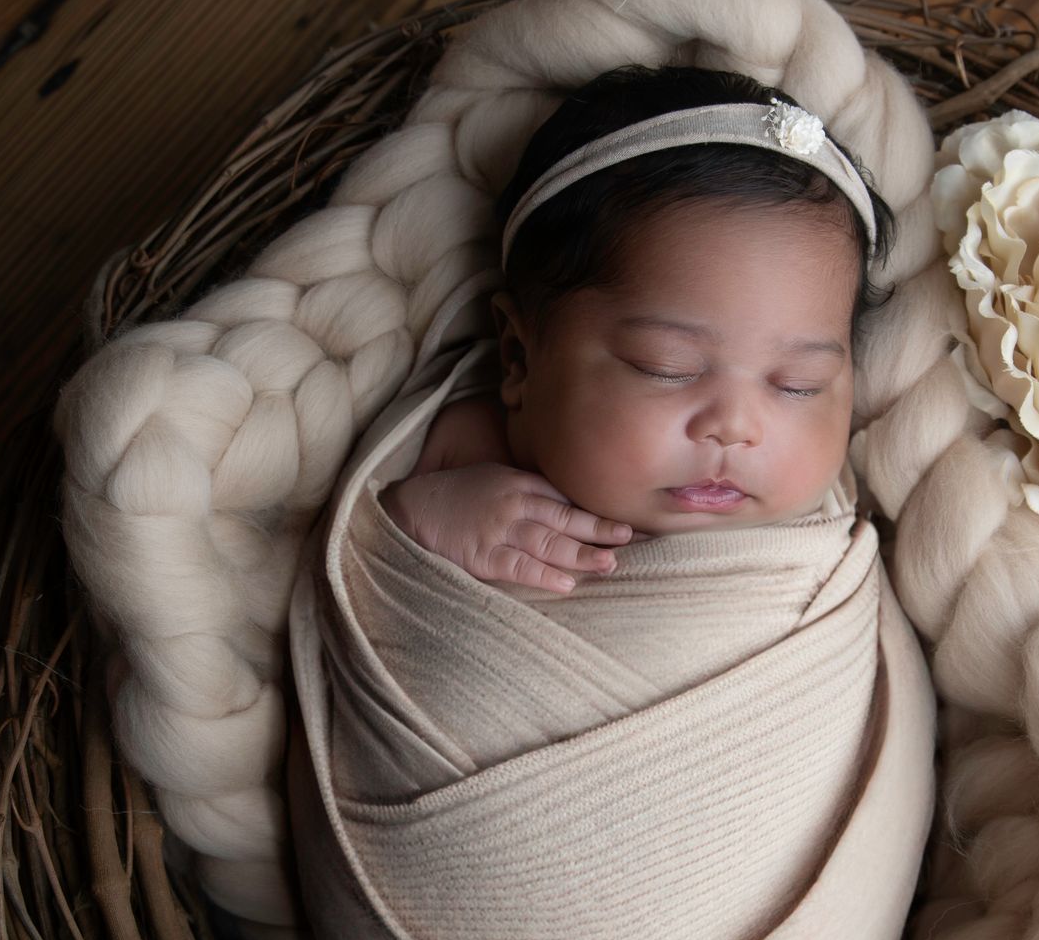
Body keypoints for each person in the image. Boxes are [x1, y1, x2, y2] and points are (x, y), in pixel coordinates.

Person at [379, 62, 900, 594]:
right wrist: (414, 521)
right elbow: (348, 574)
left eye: (798, 384)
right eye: (666, 367)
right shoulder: (467, 453)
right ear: (519, 355)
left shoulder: (836, 522)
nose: (735, 426)